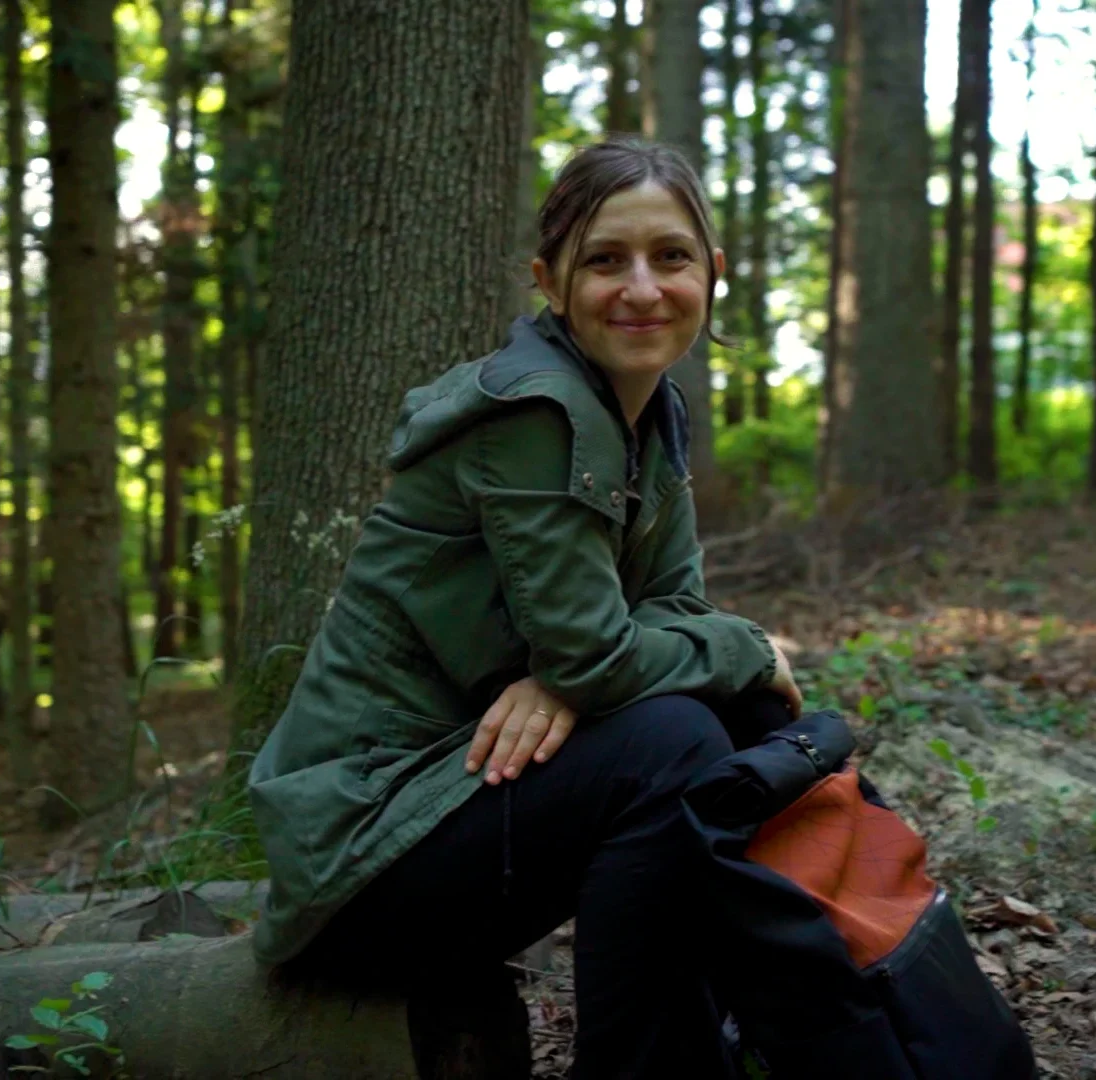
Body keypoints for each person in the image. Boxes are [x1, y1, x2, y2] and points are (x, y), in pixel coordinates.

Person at [247, 136, 802, 1079]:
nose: (641, 288)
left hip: (453, 801)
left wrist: (584, 676)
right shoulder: (536, 413)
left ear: (712, 273)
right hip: (364, 854)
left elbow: (663, 613)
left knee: (736, 718)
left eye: (669, 257)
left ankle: (755, 1035)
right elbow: (610, 654)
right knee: (674, 740)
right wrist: (737, 647)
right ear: (549, 282)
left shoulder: (647, 411)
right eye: (603, 260)